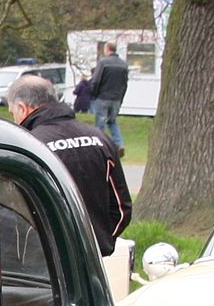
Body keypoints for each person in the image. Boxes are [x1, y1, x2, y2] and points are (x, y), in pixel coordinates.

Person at [9, 74, 130, 256]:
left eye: (13, 114)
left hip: (44, 261)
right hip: (92, 261)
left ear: (22, 108)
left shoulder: (30, 145)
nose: (14, 120)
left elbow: (15, 210)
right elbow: (121, 208)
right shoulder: (100, 139)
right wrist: (97, 244)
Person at [86, 40, 128, 154]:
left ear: (107, 49)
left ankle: (100, 147)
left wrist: (93, 94)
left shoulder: (103, 63)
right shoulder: (124, 64)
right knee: (112, 121)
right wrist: (121, 98)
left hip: (103, 97)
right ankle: (119, 144)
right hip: (116, 98)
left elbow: (95, 80)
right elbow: (125, 84)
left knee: (100, 124)